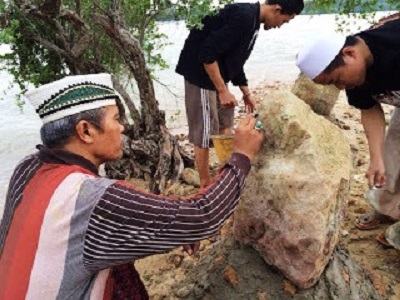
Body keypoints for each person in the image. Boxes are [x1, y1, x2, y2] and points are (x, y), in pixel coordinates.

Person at [0, 73, 263, 299]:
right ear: (86, 131)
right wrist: (241, 156)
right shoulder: (89, 196)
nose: (123, 128)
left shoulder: (29, 167)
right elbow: (202, 216)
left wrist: (173, 232)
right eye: (116, 119)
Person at [295, 18, 400, 249]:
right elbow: (369, 108)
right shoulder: (357, 76)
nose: (341, 88)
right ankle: (388, 209)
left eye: (338, 80)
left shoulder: (395, 44)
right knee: (391, 153)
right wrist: (376, 159)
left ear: (349, 53)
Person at [176, 0, 304, 188]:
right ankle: (205, 184)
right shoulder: (243, 16)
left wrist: (245, 92)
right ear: (277, 9)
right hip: (200, 75)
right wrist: (222, 90)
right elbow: (207, 53)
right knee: (204, 132)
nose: (280, 26)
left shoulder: (253, 22)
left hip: (218, 74)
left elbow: (234, 59)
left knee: (225, 124)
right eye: (284, 21)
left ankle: (225, 174)